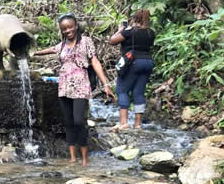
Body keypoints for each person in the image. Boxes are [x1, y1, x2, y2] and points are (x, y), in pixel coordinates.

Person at [34, 13, 114, 166]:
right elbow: (50, 49)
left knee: (79, 121)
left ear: (76, 26)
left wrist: (106, 84)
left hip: (81, 86)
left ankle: (84, 159)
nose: (67, 30)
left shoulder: (86, 41)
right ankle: (72, 158)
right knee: (69, 122)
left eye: (70, 27)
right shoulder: (62, 45)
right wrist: (32, 52)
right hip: (64, 87)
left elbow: (95, 61)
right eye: (64, 29)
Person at [109, 9, 155, 129]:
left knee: (122, 90)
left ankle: (123, 123)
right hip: (148, 63)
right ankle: (137, 124)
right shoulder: (151, 32)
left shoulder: (129, 31)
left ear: (134, 19)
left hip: (133, 63)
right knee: (139, 93)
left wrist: (120, 30)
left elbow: (112, 41)